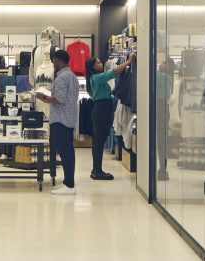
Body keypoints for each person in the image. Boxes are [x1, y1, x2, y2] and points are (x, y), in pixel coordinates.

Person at [84, 52, 136, 181]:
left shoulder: (95, 78)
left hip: (100, 109)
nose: (100, 63)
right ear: (92, 66)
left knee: (98, 141)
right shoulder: (97, 78)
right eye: (97, 62)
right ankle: (97, 170)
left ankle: (96, 169)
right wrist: (129, 61)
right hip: (101, 109)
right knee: (99, 142)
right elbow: (115, 71)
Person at [36, 49, 79, 195]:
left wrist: (43, 97)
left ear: (58, 61)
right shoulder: (72, 76)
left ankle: (69, 185)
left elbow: (58, 99)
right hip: (69, 119)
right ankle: (69, 182)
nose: (53, 64)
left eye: (54, 61)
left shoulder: (61, 78)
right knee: (69, 152)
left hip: (60, 120)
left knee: (65, 152)